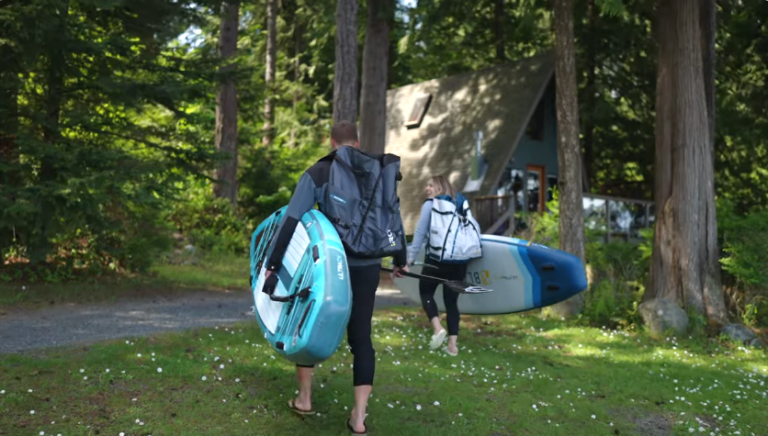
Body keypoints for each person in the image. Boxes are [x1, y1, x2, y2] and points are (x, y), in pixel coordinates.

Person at [263, 120, 409, 435]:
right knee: (361, 339)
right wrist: (400, 259)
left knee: (307, 321)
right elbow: (392, 215)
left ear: (331, 141)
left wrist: (274, 262)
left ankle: (304, 399)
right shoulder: (376, 171)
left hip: (330, 265)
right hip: (368, 264)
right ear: (357, 142)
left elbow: (292, 217)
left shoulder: (320, 171)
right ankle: (358, 418)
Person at [407, 175, 477, 356]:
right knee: (451, 301)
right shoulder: (460, 203)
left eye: (430, 185)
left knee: (426, 291)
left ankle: (438, 328)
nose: (427, 189)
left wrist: (411, 258)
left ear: (439, 187)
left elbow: (421, 232)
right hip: (459, 260)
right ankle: (452, 346)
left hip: (437, 259)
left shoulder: (431, 204)